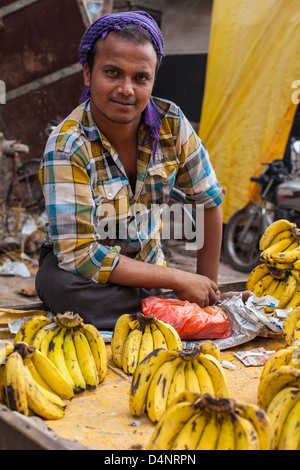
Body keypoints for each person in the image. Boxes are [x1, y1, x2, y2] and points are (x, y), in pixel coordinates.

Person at [35, 11, 229, 330]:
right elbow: (79, 253)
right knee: (63, 289)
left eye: (140, 77)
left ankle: (159, 306)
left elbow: (209, 200)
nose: (126, 89)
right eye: (112, 72)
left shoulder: (172, 124)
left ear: (152, 80)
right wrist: (177, 279)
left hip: (145, 266)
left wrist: (206, 290)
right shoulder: (67, 144)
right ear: (87, 73)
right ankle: (162, 305)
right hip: (80, 271)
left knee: (148, 293)